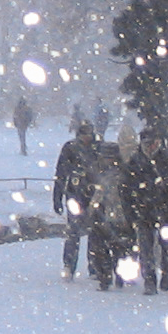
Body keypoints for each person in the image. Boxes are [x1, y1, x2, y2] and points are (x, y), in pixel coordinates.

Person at [125, 125, 168, 295]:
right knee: (145, 247)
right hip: (144, 211)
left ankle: (167, 271)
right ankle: (149, 279)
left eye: (153, 143)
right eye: (147, 143)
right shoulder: (135, 161)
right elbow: (125, 188)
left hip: (167, 210)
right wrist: (131, 210)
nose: (150, 147)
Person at [85, 133, 136, 289]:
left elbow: (131, 194)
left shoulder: (125, 173)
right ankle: (104, 278)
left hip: (120, 216)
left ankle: (118, 276)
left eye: (110, 157)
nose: (108, 160)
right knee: (100, 249)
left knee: (120, 249)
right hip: (101, 214)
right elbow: (87, 191)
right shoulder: (94, 170)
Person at [52, 120, 100, 282]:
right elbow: (61, 173)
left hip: (93, 195)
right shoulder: (70, 148)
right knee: (73, 232)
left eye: (89, 134)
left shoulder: (98, 148)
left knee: (95, 232)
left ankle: (94, 266)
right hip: (75, 195)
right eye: (83, 134)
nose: (87, 137)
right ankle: (69, 265)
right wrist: (57, 198)